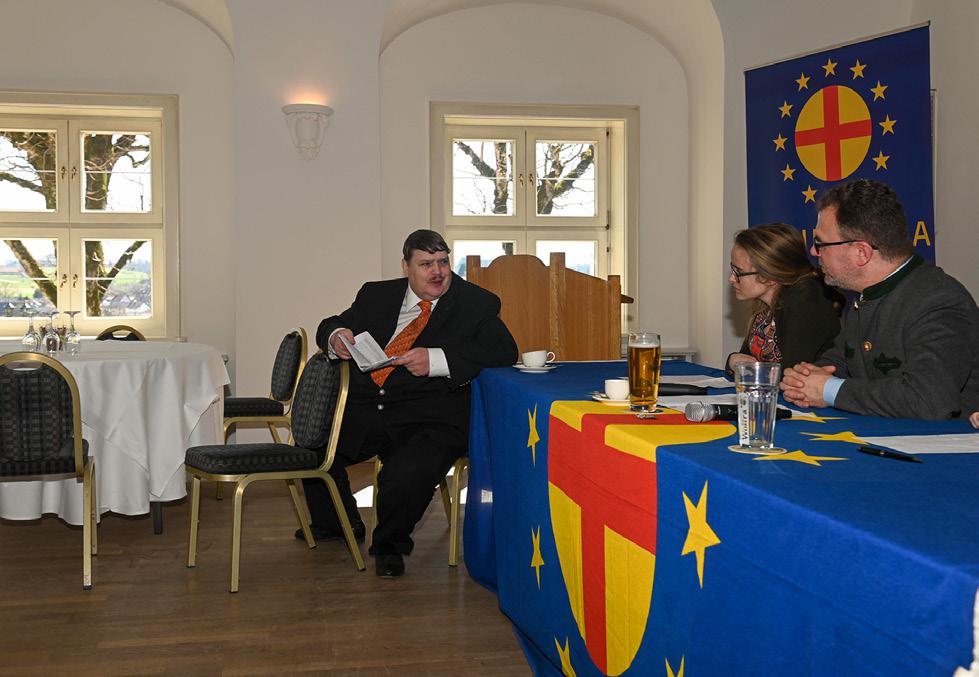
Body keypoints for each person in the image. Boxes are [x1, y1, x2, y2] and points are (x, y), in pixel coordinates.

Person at [300, 229, 517, 577]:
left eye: (443, 262)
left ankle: (389, 545)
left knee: (407, 473)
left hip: (432, 416)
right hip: (370, 406)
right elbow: (332, 323)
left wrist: (436, 360)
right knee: (312, 446)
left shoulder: (476, 303)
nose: (438, 272)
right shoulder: (376, 295)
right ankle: (337, 523)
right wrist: (336, 336)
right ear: (406, 266)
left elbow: (503, 352)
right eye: (426, 264)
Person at [780, 179, 979, 420]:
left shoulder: (938, 301)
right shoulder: (868, 295)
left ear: (861, 253)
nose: (814, 251)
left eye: (820, 243)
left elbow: (928, 399)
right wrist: (806, 379)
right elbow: (841, 359)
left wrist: (829, 390)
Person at [726, 223, 840, 375]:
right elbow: (746, 361)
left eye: (738, 272)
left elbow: (791, 374)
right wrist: (732, 360)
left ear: (768, 277)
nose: (731, 279)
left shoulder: (805, 302)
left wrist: (741, 366)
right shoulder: (764, 307)